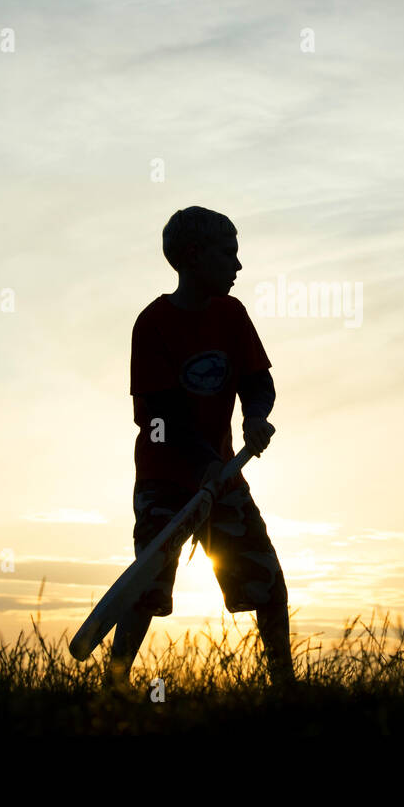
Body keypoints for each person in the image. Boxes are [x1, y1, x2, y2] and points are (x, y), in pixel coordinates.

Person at [109, 206, 294, 685]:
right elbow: (162, 416)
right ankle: (113, 684)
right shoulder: (152, 326)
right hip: (165, 481)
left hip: (223, 477)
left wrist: (255, 416)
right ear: (193, 256)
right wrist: (205, 462)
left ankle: (285, 688)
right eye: (228, 254)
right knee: (146, 587)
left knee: (267, 583)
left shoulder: (231, 315)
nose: (237, 266)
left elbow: (259, 381)